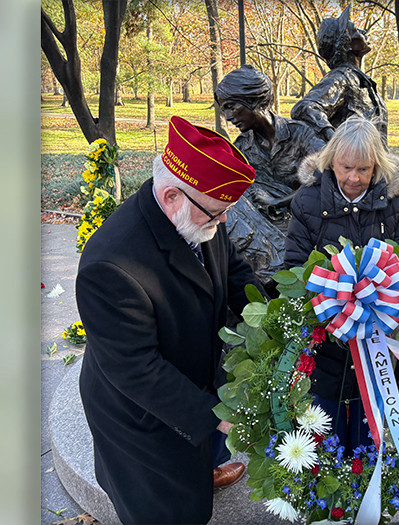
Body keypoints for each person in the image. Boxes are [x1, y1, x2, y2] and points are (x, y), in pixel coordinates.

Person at [77, 116, 263, 524]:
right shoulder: (110, 265)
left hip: (193, 375)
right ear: (172, 196)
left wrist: (271, 315)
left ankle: (206, 470)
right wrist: (220, 417)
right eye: (216, 213)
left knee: (198, 464)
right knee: (172, 510)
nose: (223, 222)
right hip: (142, 413)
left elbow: (232, 271)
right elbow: (138, 371)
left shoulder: (199, 214)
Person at [285, 116, 399, 449]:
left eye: (364, 169)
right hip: (327, 334)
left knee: (368, 423)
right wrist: (328, 313)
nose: (353, 178)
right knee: (325, 428)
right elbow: (295, 265)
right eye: (345, 168)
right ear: (331, 162)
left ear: (377, 167)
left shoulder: (393, 200)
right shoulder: (307, 200)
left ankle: (367, 475)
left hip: (376, 337)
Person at [215, 65, 327, 284]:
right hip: (265, 231)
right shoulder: (241, 148)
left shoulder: (300, 133)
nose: (228, 117)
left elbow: (328, 177)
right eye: (224, 110)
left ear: (254, 100)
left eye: (232, 107)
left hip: (307, 225)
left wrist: (279, 200)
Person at [290, 6, 387, 144]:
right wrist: (335, 141)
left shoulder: (358, 79)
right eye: (354, 30)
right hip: (355, 164)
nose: (363, 31)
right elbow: (305, 107)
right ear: (346, 44)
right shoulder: (342, 78)